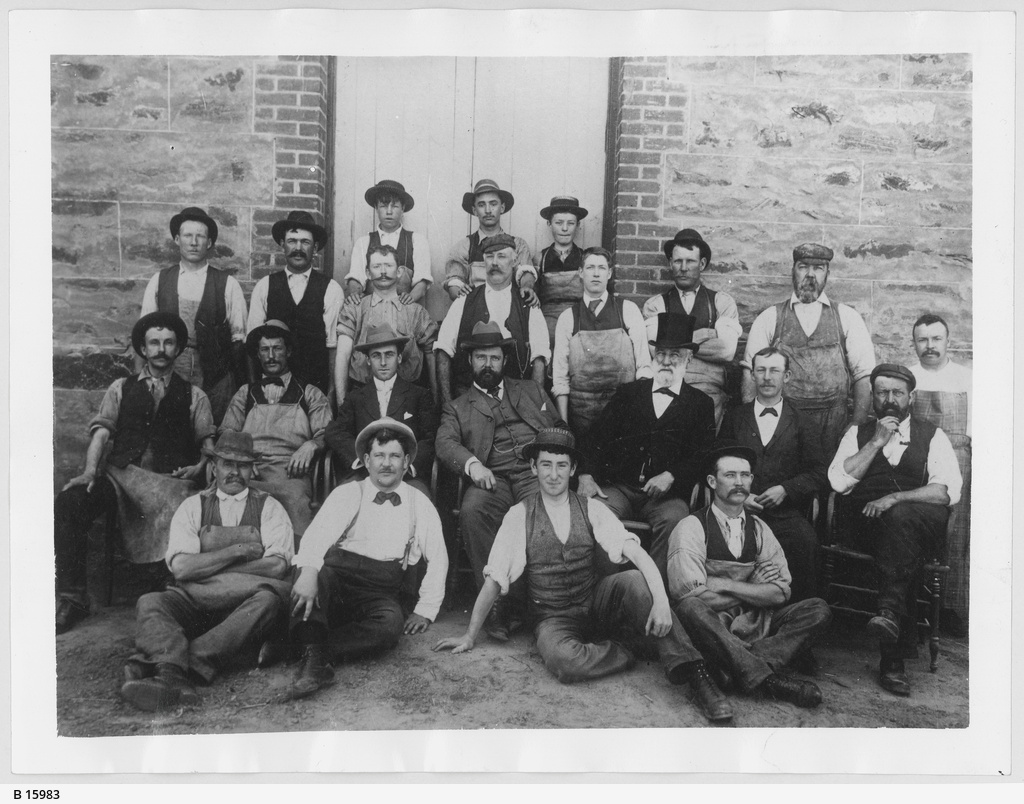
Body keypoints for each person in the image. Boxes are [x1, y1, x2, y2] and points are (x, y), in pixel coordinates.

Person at [433, 427, 733, 723]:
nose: (553, 474)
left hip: (595, 603)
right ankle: (632, 647)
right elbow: (494, 578)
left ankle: (698, 676)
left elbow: (638, 555)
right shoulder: (519, 515)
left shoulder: (592, 508)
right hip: (552, 616)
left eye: (562, 465)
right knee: (565, 662)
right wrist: (470, 634)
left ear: (573, 469)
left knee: (635, 580)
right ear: (533, 467)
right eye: (546, 465)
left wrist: (661, 603)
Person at [53, 312, 215, 634]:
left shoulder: (195, 396)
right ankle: (72, 598)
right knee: (71, 501)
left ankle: (172, 601)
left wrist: (199, 467)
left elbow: (208, 445)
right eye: (154, 343)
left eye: (168, 343)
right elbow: (101, 433)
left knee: (184, 507)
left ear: (178, 348)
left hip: (169, 483)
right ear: (143, 347)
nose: (161, 349)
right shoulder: (120, 387)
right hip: (120, 478)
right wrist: (89, 472)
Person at [119, 431, 293, 712]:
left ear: (252, 469)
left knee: (270, 601)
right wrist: (236, 551)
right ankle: (174, 676)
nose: (234, 472)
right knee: (151, 602)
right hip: (197, 600)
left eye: (243, 465)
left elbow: (276, 566)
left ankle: (176, 667)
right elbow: (181, 567)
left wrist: (207, 566)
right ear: (214, 467)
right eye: (227, 464)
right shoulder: (192, 507)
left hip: (243, 605)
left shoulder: (270, 508)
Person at [285, 419, 449, 701]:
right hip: (337, 577)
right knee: (311, 576)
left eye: (395, 456)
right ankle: (313, 664)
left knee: (389, 626)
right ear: (366, 460)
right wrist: (310, 572)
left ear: (406, 461)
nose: (387, 464)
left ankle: (307, 649)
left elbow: (439, 557)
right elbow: (315, 538)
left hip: (381, 589)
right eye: (379, 456)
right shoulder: (349, 492)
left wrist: (426, 608)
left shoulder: (417, 501)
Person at [828, 363, 962, 696]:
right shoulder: (858, 434)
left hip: (919, 522)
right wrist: (875, 442)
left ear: (910, 397)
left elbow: (946, 491)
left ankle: (889, 614)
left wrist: (896, 498)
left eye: (897, 393)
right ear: (873, 396)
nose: (890, 399)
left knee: (902, 522)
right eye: (882, 392)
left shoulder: (933, 435)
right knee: (901, 540)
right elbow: (838, 481)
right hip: (868, 524)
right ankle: (892, 656)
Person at [667, 445, 831, 710]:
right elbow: (693, 595)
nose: (739, 483)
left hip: (756, 625)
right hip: (713, 627)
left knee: (817, 609)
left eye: (745, 475)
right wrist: (756, 588)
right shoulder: (691, 528)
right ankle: (766, 679)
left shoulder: (760, 528)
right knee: (690, 608)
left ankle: (734, 665)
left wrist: (726, 584)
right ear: (712, 481)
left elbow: (780, 592)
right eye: (730, 475)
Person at [435, 321, 564, 639]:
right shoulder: (458, 407)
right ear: (470, 361)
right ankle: (495, 605)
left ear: (504, 360)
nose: (487, 365)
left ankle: (543, 604)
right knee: (473, 508)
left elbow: (560, 427)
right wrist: (474, 466)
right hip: (494, 480)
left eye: (494, 357)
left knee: (549, 510)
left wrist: (551, 464)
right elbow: (444, 443)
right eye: (481, 358)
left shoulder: (531, 390)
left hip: (536, 474)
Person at [577, 313, 716, 574]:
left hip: (666, 498)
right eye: (661, 354)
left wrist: (673, 475)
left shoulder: (700, 404)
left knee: (676, 519)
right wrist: (585, 474)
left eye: (674, 355)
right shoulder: (629, 394)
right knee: (597, 511)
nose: (665, 361)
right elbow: (595, 436)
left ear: (689, 358)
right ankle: (606, 589)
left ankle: (653, 595)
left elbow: (704, 455)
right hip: (620, 488)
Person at [742, 243, 875, 456]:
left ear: (827, 274)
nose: (810, 275)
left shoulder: (847, 317)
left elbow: (864, 376)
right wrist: (751, 425)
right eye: (804, 267)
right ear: (793, 270)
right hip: (783, 427)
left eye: (819, 268)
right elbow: (750, 374)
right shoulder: (770, 318)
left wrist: (857, 424)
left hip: (834, 427)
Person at [718, 347, 827, 602]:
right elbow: (717, 462)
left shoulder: (803, 422)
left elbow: (819, 472)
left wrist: (786, 489)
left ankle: (797, 615)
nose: (767, 377)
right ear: (753, 375)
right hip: (737, 510)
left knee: (806, 543)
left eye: (774, 371)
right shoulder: (735, 417)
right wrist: (739, 495)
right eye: (761, 370)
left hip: (784, 514)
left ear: (786, 376)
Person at [219, 320, 332, 540]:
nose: (271, 356)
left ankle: (297, 563)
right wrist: (243, 461)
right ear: (258, 355)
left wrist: (311, 444)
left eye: (277, 348)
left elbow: (328, 432)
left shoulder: (309, 393)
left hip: (291, 474)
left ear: (288, 351)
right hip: (249, 471)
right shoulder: (245, 393)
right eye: (264, 350)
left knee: (295, 501)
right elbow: (227, 434)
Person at [140, 206, 248, 422]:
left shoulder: (228, 285)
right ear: (177, 239)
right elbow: (143, 335)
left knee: (211, 432)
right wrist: (141, 381)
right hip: (169, 370)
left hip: (214, 376)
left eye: (200, 236)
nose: (193, 242)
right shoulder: (160, 281)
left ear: (209, 243)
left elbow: (239, 341)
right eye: (188, 236)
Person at [908, 313, 971, 636]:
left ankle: (949, 610)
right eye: (923, 339)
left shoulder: (966, 379)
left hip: (959, 459)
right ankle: (917, 606)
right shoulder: (909, 378)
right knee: (920, 528)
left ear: (948, 342)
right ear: (914, 343)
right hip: (921, 461)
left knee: (956, 533)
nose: (930, 346)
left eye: (936, 339)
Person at [642, 229, 741, 429]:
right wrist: (706, 334)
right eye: (678, 261)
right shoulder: (656, 305)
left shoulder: (721, 302)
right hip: (668, 385)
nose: (684, 268)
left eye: (691, 261)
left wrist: (675, 339)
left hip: (709, 389)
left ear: (702, 264)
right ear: (670, 263)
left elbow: (727, 351)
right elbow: (657, 349)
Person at [435, 233, 550, 404]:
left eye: (502, 256)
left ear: (514, 261)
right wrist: (447, 404)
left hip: (516, 402)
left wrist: (533, 405)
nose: (495, 262)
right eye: (489, 257)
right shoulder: (465, 299)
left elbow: (539, 359)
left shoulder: (527, 303)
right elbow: (443, 351)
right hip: (470, 400)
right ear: (484, 261)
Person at [552, 246, 653, 437]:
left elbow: (644, 368)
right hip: (581, 417)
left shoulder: (628, 310)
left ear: (610, 273)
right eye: (590, 268)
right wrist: (564, 427)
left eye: (601, 268)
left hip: (624, 416)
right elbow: (560, 378)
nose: (596, 274)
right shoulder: (568, 318)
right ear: (581, 273)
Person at [325, 323, 439, 492]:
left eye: (389, 354)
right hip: (364, 474)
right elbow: (335, 432)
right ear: (369, 361)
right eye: (377, 356)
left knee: (419, 502)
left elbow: (430, 437)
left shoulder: (418, 395)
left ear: (399, 358)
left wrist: (409, 465)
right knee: (344, 499)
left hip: (406, 477)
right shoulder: (356, 397)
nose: (384, 362)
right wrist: (361, 460)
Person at [247, 210, 344, 395]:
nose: (298, 248)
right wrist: (253, 389)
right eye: (292, 241)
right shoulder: (265, 286)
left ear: (315, 247)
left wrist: (331, 394)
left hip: (316, 388)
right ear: (283, 244)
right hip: (273, 389)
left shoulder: (331, 289)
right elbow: (252, 346)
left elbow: (333, 348)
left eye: (305, 242)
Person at [334, 244, 439, 406]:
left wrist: (436, 400)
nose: (383, 272)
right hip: (363, 393)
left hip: (407, 396)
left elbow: (431, 356)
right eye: (377, 266)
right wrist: (342, 406)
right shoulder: (354, 308)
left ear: (398, 272)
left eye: (389, 266)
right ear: (368, 273)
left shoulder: (415, 312)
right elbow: (343, 355)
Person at [443, 179, 535, 301]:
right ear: (474, 210)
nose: (488, 210)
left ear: (502, 207)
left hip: (510, 307)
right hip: (475, 308)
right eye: (481, 205)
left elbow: (525, 273)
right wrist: (459, 292)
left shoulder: (517, 244)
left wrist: (526, 286)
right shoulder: (464, 246)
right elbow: (455, 282)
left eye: (493, 204)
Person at [345, 180, 432, 306]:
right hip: (372, 310)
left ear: (403, 208)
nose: (389, 211)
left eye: (395, 206)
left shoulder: (417, 241)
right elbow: (355, 278)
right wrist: (354, 294)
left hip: (405, 309)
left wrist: (410, 299)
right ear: (376, 208)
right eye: (384, 206)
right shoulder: (363, 242)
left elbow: (423, 282)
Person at [521, 196, 588, 343]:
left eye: (570, 223)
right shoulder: (540, 258)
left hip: (580, 317)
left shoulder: (586, 258)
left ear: (578, 225)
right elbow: (532, 292)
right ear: (549, 223)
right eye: (558, 223)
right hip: (548, 319)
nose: (564, 228)